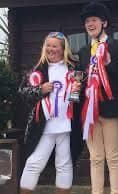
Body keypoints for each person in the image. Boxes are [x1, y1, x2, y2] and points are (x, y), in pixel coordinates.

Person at [18, 32, 83, 194]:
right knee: (34, 163)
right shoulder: (38, 68)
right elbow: (23, 93)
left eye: (55, 46)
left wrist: (76, 92)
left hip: (68, 125)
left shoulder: (74, 68)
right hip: (44, 125)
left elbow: (77, 100)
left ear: (63, 49)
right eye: (48, 45)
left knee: (65, 163)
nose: (50, 49)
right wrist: (41, 90)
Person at [78, 2, 118, 194]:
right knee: (95, 158)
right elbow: (83, 80)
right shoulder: (83, 52)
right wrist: (77, 85)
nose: (90, 24)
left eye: (94, 20)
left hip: (112, 109)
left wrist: (108, 64)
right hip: (90, 111)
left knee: (113, 157)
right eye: (87, 21)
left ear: (104, 23)